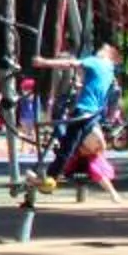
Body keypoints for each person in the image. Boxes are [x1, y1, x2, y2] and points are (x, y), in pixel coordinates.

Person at [35, 38, 120, 192]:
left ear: (109, 54)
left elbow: (70, 63)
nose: (100, 50)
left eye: (104, 49)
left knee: (67, 148)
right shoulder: (110, 70)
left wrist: (44, 62)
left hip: (84, 112)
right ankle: (69, 169)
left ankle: (50, 178)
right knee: (82, 146)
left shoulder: (96, 61)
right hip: (94, 115)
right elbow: (98, 87)